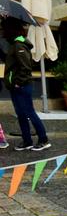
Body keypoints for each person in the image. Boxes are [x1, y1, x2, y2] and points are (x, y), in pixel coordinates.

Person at [2, 17, 51, 151]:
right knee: (21, 114)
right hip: (16, 86)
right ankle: (27, 140)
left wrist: (18, 83)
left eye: (4, 29)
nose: (2, 32)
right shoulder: (14, 44)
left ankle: (43, 139)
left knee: (29, 113)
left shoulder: (19, 45)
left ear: (10, 30)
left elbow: (25, 67)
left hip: (22, 86)